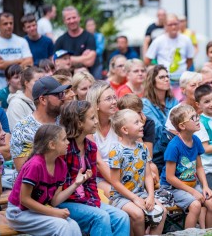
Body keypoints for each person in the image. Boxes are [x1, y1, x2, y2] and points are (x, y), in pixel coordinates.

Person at [58, 100, 130, 236]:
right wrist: (92, 206)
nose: (96, 121)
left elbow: (91, 182)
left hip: (85, 199)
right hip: (65, 201)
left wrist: (93, 202)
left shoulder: (91, 147)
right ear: (79, 123)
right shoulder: (64, 148)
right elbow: (59, 188)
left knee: (122, 217)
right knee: (101, 217)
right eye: (92, 118)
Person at [6, 124, 89, 236]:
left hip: (35, 211)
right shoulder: (35, 165)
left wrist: (76, 184)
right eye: (64, 139)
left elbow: (54, 200)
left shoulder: (61, 165)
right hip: (19, 213)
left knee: (73, 225)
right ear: (52, 145)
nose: (68, 142)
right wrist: (54, 212)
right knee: (62, 225)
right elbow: (24, 200)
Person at [160, 104, 212, 229]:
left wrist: (205, 187)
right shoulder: (174, 146)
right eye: (193, 118)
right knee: (195, 205)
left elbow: (199, 167)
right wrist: (193, 192)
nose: (198, 120)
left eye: (197, 116)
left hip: (191, 185)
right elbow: (170, 177)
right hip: (171, 188)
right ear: (182, 126)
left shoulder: (196, 140)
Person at [109, 109, 167, 236]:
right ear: (125, 130)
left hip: (141, 193)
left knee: (162, 212)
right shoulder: (116, 151)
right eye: (136, 123)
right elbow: (114, 182)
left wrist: (151, 195)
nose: (142, 124)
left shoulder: (143, 148)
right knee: (138, 214)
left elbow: (147, 175)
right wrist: (134, 198)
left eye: (141, 122)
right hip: (120, 197)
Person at [10, 76, 69, 171]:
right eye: (59, 94)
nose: (64, 98)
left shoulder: (63, 120)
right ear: (43, 99)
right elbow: (23, 171)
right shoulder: (23, 129)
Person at [144, 14, 194, 99]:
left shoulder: (186, 40)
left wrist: (183, 69)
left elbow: (190, 59)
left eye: (175, 24)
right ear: (165, 26)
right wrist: (157, 70)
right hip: (164, 81)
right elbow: (147, 59)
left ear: (179, 24)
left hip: (181, 81)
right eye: (170, 24)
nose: (173, 27)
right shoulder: (158, 40)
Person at [86, 81, 119, 197]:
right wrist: (121, 185)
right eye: (108, 99)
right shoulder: (89, 129)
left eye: (114, 97)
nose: (114, 102)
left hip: (121, 173)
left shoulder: (118, 124)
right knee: (116, 194)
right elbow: (98, 163)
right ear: (97, 105)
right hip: (97, 177)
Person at [117, 94, 159, 183]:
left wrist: (139, 129)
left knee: (153, 167)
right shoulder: (118, 123)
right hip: (124, 158)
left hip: (140, 157)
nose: (138, 116)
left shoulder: (148, 123)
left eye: (139, 112)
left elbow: (148, 156)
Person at [142, 65, 178, 147]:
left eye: (167, 76)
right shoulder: (145, 104)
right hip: (158, 149)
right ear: (152, 81)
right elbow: (157, 130)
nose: (166, 79)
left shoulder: (173, 101)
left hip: (176, 144)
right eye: (161, 77)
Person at [0, 12, 33, 89]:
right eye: (5, 24)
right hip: (0, 85)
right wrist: (20, 60)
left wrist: (5, 63)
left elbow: (29, 62)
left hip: (20, 85)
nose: (9, 26)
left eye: (11, 23)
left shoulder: (21, 41)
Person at [55, 6, 96, 70]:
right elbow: (56, 62)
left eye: (74, 17)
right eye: (68, 19)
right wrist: (83, 58)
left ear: (79, 18)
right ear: (64, 21)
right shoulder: (60, 41)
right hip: (66, 78)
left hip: (86, 77)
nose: (72, 21)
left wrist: (65, 59)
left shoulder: (89, 37)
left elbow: (90, 61)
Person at [7, 66, 45, 131]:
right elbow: (18, 132)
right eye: (37, 81)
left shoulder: (42, 99)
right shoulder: (16, 104)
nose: (43, 84)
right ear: (26, 83)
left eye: (43, 81)